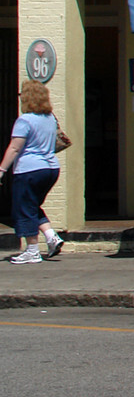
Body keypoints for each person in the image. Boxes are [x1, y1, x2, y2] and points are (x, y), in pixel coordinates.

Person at [1, 80, 68, 264]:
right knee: (31, 205)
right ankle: (51, 236)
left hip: (29, 169)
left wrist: (1, 169)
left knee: (23, 209)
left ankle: (32, 250)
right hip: (51, 168)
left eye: (22, 94)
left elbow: (15, 148)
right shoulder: (50, 118)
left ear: (27, 98)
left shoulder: (24, 120)